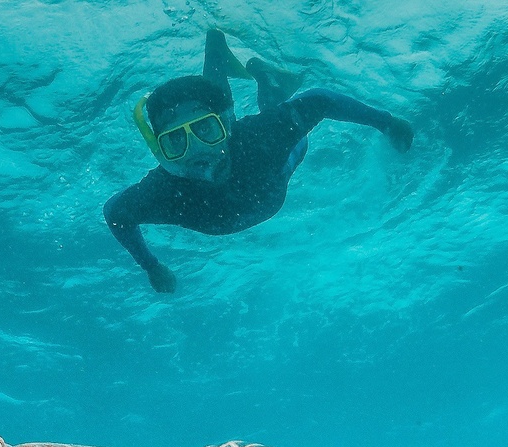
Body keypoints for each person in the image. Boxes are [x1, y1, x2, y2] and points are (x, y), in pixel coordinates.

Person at [104, 29, 415, 292]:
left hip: (271, 162)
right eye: (175, 140)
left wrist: (386, 121)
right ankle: (230, 56)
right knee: (213, 104)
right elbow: (115, 213)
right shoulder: (162, 190)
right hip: (262, 179)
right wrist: (150, 265)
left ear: (226, 126)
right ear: (160, 149)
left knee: (291, 135)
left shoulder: (258, 138)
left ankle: (260, 79)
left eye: (205, 130)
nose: (196, 150)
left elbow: (321, 100)